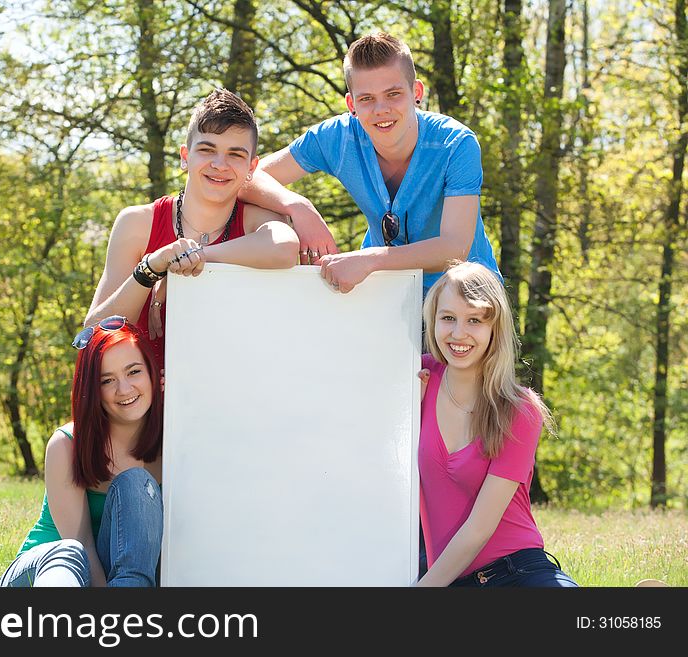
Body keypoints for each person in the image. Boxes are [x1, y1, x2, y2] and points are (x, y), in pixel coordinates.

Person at [241, 32, 501, 295]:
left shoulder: (456, 144)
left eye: (393, 94)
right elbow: (244, 178)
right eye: (367, 99)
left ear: (416, 92)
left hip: (468, 302)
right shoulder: (338, 138)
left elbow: (454, 248)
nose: (381, 109)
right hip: (387, 296)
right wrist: (299, 207)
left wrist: (371, 259)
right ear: (351, 104)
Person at [85, 88, 299, 369]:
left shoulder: (254, 222)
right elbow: (92, 335)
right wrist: (151, 268)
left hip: (223, 397)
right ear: (185, 156)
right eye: (207, 150)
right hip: (141, 404)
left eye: (235, 155)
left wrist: (192, 257)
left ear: (251, 167)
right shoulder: (138, 223)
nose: (219, 165)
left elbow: (285, 247)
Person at [415, 261, 577, 587]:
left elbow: (479, 528)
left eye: (474, 320)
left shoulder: (519, 410)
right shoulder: (415, 381)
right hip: (451, 578)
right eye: (448, 318)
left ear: (495, 328)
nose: (459, 333)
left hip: (517, 572)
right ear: (432, 321)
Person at [0, 316, 164, 587]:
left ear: (154, 373)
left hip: (120, 578)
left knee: (137, 483)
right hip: (51, 572)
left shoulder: (175, 444)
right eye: (106, 380)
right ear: (92, 390)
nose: (124, 389)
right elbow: (83, 544)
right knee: (69, 552)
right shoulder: (67, 444)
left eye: (134, 372)